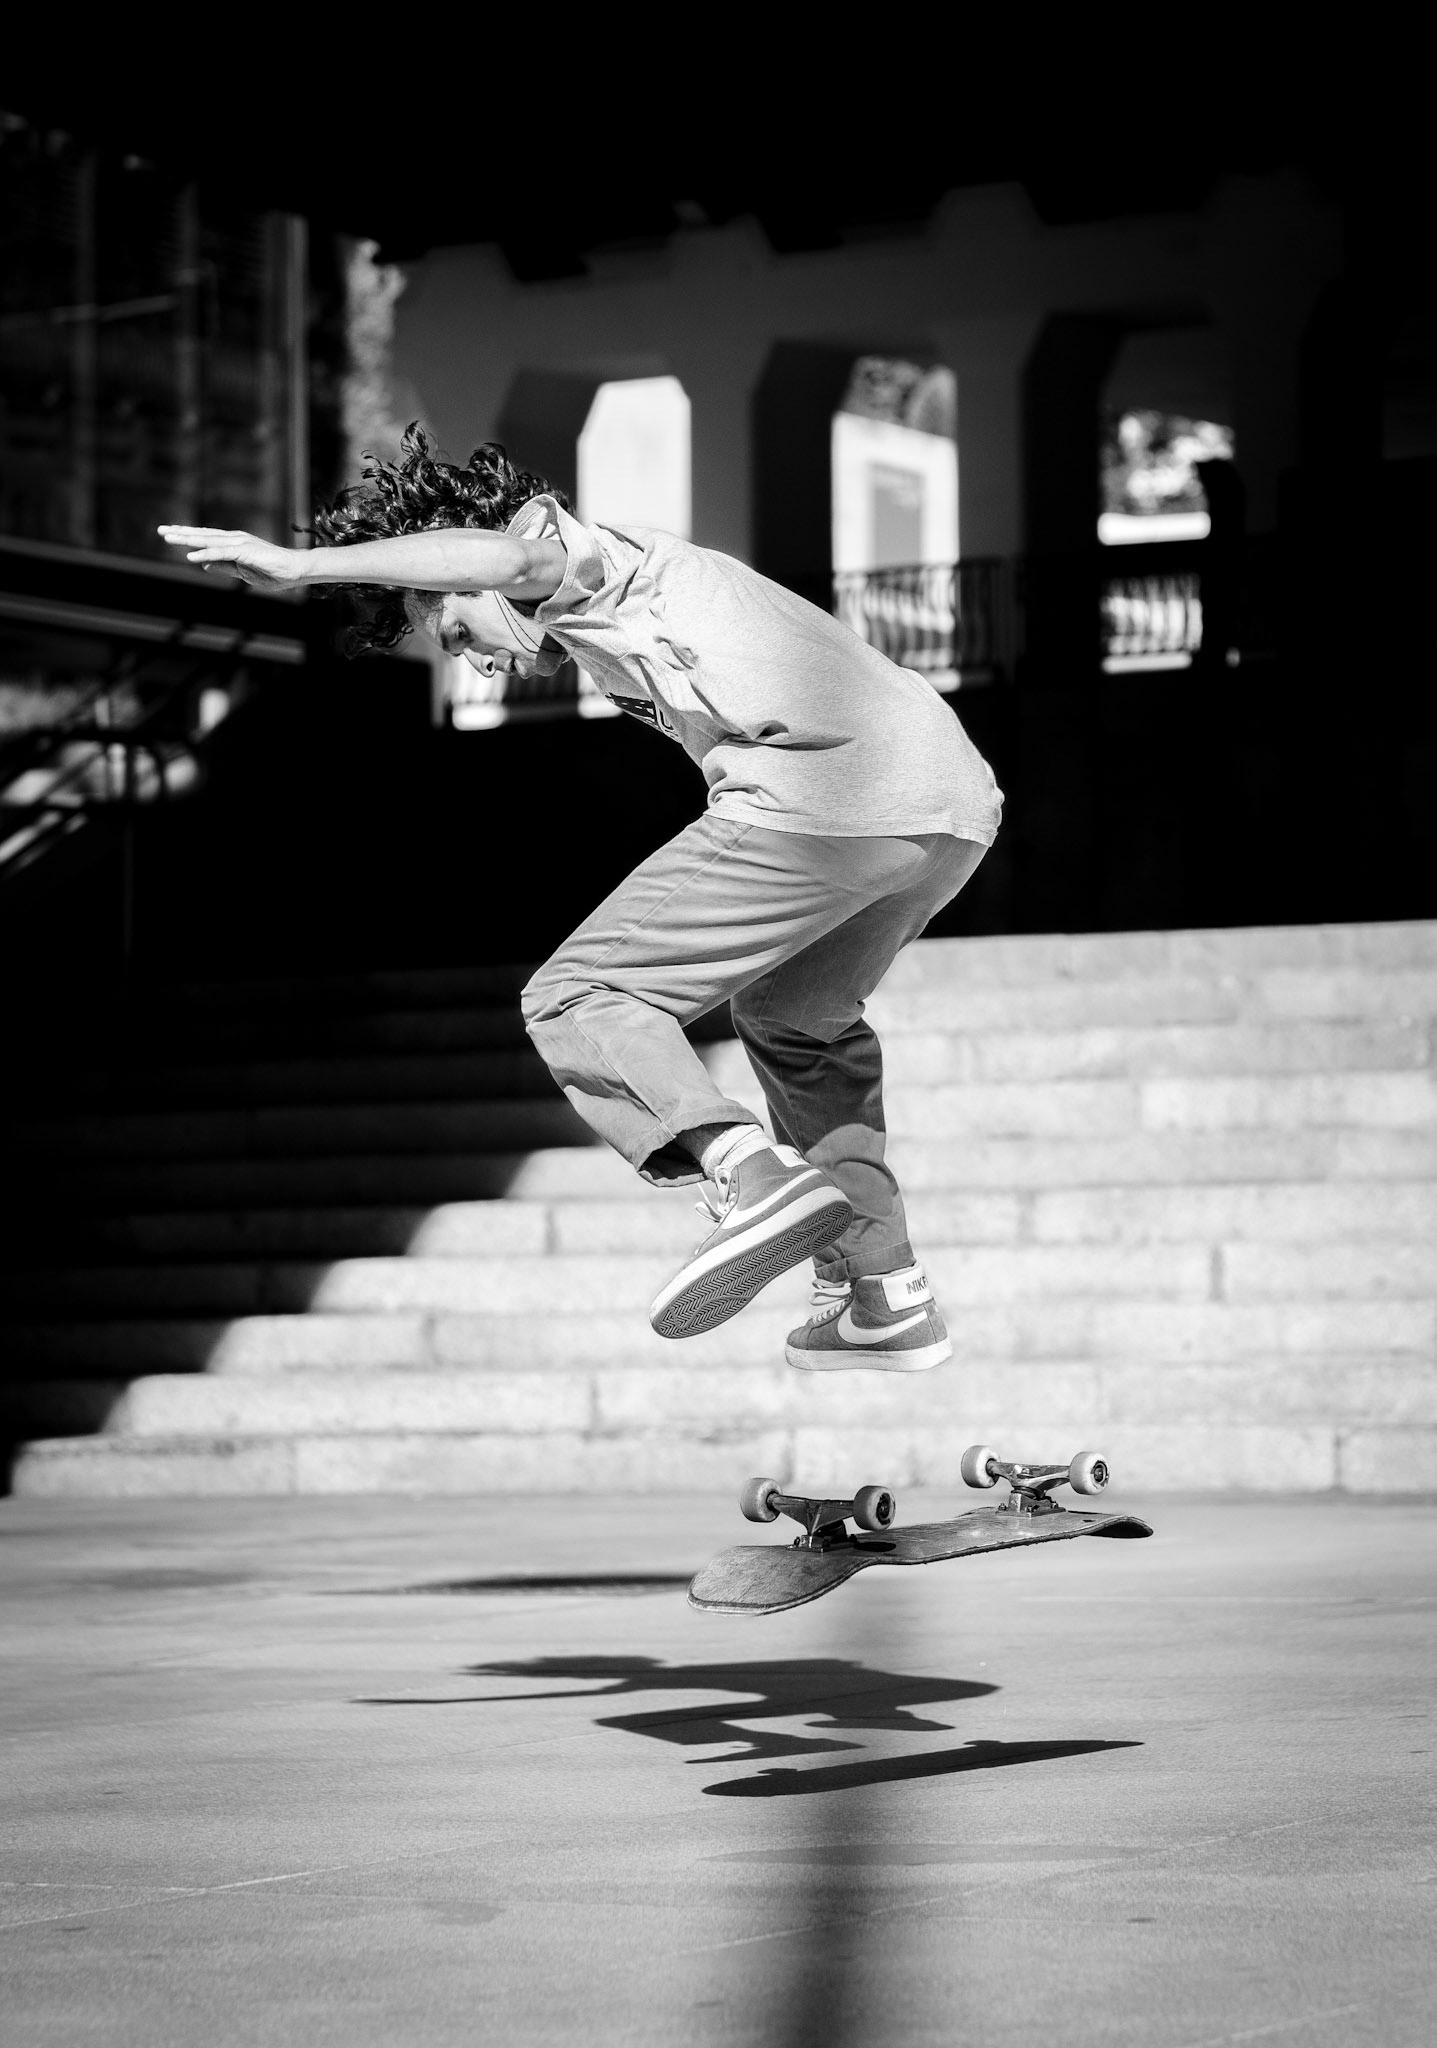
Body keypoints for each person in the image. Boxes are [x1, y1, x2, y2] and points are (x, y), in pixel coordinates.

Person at [159, 429, 1002, 1371]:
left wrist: (301, 566)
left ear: (461, 580)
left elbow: (503, 554)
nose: (477, 660)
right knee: (794, 1018)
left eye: (454, 631)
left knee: (579, 995)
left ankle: (749, 1177)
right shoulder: (625, 615)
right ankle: (883, 1292)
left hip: (827, 791)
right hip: (946, 807)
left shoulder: (575, 555)